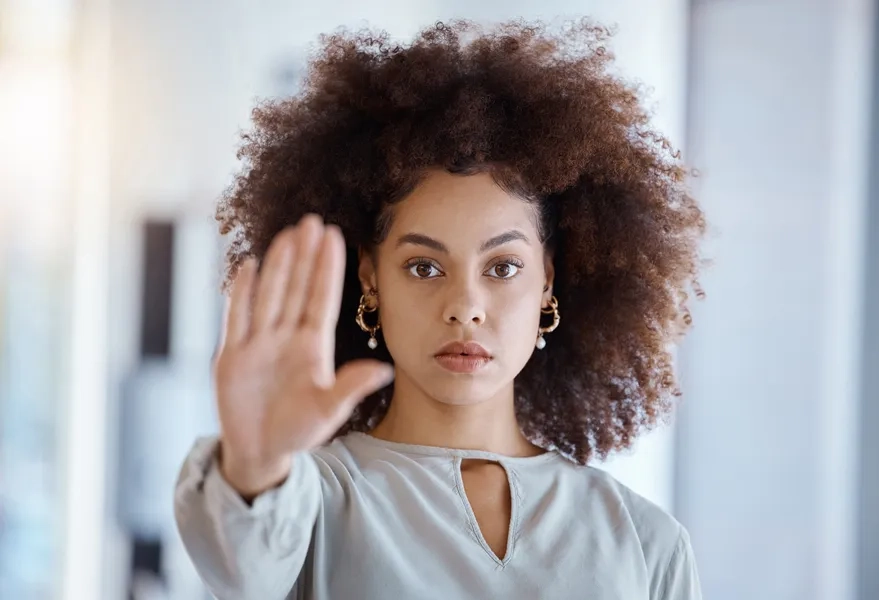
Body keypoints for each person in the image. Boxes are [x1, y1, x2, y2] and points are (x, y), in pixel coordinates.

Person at [174, 18, 707, 599]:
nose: (465, 307)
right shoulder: (306, 503)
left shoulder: (646, 542)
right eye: (424, 267)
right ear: (370, 279)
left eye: (502, 267)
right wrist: (255, 464)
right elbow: (241, 564)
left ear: (548, 281)